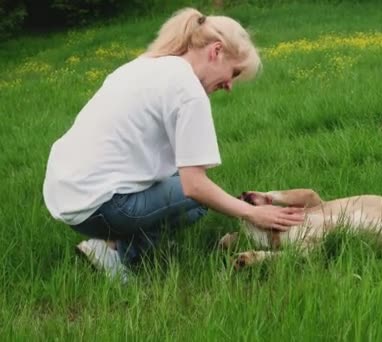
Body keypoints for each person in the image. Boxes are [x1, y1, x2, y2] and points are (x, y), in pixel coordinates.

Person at [42, 7, 304, 282]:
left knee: (181, 184)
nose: (229, 85)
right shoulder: (188, 90)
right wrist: (253, 213)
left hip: (67, 193)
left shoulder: (144, 65)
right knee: (197, 202)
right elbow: (195, 187)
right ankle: (119, 259)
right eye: (234, 72)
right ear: (216, 51)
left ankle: (118, 245)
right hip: (99, 206)